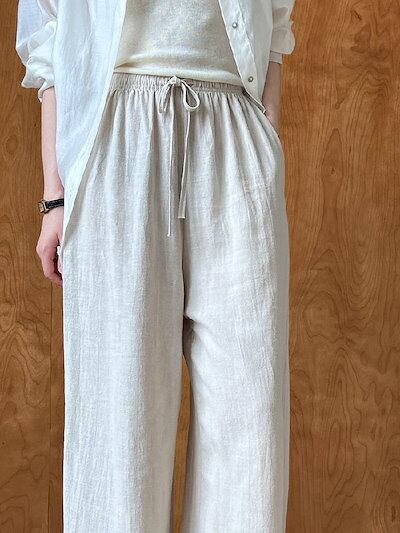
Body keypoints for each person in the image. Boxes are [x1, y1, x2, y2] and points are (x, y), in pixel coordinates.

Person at [16, 1, 296, 531]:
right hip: (115, 130)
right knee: (120, 418)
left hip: (235, 125)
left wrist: (267, 131)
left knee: (251, 413)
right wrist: (55, 196)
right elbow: (48, 32)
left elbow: (277, 21)